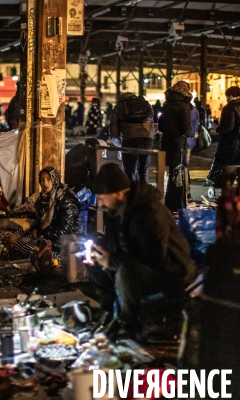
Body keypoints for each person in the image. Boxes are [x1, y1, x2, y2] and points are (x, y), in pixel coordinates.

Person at [86, 163, 196, 335]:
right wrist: (100, 254)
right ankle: (108, 314)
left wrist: (111, 261)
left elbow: (154, 258)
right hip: (138, 264)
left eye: (102, 198)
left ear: (118, 194)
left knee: (126, 272)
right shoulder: (116, 210)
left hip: (169, 273)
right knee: (94, 262)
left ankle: (129, 322)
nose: (99, 204)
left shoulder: (150, 214)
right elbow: (115, 246)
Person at [14, 167, 80, 258]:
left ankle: (43, 268)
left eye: (49, 179)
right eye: (42, 180)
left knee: (29, 250)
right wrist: (36, 228)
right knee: (18, 245)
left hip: (61, 241)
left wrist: (42, 233)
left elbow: (65, 228)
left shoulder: (65, 200)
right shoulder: (43, 198)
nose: (45, 183)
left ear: (55, 180)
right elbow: (39, 218)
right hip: (47, 234)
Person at [158, 81, 194, 212]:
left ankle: (169, 203)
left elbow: (161, 126)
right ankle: (177, 205)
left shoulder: (166, 105)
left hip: (167, 143)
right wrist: (193, 134)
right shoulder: (184, 106)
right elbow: (186, 128)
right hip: (179, 145)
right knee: (178, 176)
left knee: (172, 175)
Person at [109, 92, 155, 182]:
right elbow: (152, 123)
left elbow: (113, 129)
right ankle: (144, 194)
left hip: (129, 139)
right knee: (143, 171)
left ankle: (131, 194)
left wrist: (119, 144)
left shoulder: (119, 107)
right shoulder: (145, 104)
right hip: (147, 139)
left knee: (129, 172)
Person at [205, 86, 240, 188]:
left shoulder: (229, 107)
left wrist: (218, 128)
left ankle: (216, 182)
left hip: (229, 142)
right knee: (238, 167)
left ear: (231, 96)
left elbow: (229, 127)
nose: (226, 98)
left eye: (227, 96)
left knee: (222, 163)